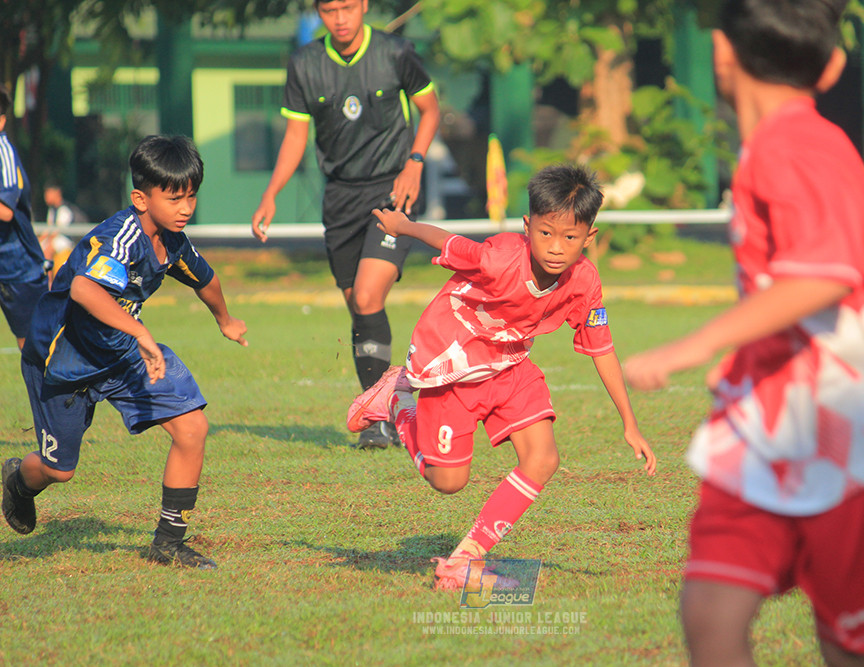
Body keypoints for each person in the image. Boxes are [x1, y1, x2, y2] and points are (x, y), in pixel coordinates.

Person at [623, 1, 864, 666]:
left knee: (854, 648)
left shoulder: (792, 146)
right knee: (712, 610)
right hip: (767, 420)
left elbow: (823, 276)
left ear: (721, 56)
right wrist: (747, 351)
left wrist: (696, 344)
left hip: (849, 433)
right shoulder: (783, 144)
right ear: (832, 67)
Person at [346, 164, 657, 590]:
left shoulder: (584, 281)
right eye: (546, 233)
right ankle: (398, 401)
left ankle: (461, 563)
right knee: (448, 482)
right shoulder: (498, 257)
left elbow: (601, 347)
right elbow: (449, 242)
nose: (556, 247)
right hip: (453, 364)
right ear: (528, 226)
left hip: (509, 364)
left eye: (570, 237)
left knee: (543, 459)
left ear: (590, 237)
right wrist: (404, 226)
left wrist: (630, 422)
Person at [2, 135, 248, 570]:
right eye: (174, 198)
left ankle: (168, 542)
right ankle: (19, 482)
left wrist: (225, 320)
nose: (186, 208)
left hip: (122, 353)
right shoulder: (120, 236)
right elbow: (84, 288)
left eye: (191, 196)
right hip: (64, 359)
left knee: (192, 429)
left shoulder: (173, 241)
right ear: (141, 198)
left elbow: (204, 279)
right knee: (59, 470)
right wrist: (141, 332)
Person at [251, 0, 441, 450]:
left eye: (348, 7)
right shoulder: (305, 64)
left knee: (367, 294)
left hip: (391, 191)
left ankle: (379, 419)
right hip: (339, 198)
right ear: (319, 12)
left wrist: (415, 163)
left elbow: (431, 111)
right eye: (330, 9)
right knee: (359, 310)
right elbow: (297, 135)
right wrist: (270, 193)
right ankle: (389, 410)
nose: (340, 17)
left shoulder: (396, 53)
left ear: (364, 6)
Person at [0, 84, 48, 349]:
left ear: (2, 121)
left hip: (15, 264)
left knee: (33, 345)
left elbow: (6, 212)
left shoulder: (3, 154)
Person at [41, 182, 88, 279]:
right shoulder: (51, 210)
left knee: (48, 249)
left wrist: (47, 243)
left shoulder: (64, 209)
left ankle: (48, 280)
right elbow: (48, 229)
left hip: (66, 241)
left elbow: (56, 232)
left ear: (57, 192)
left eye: (48, 193)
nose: (46, 197)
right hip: (56, 239)